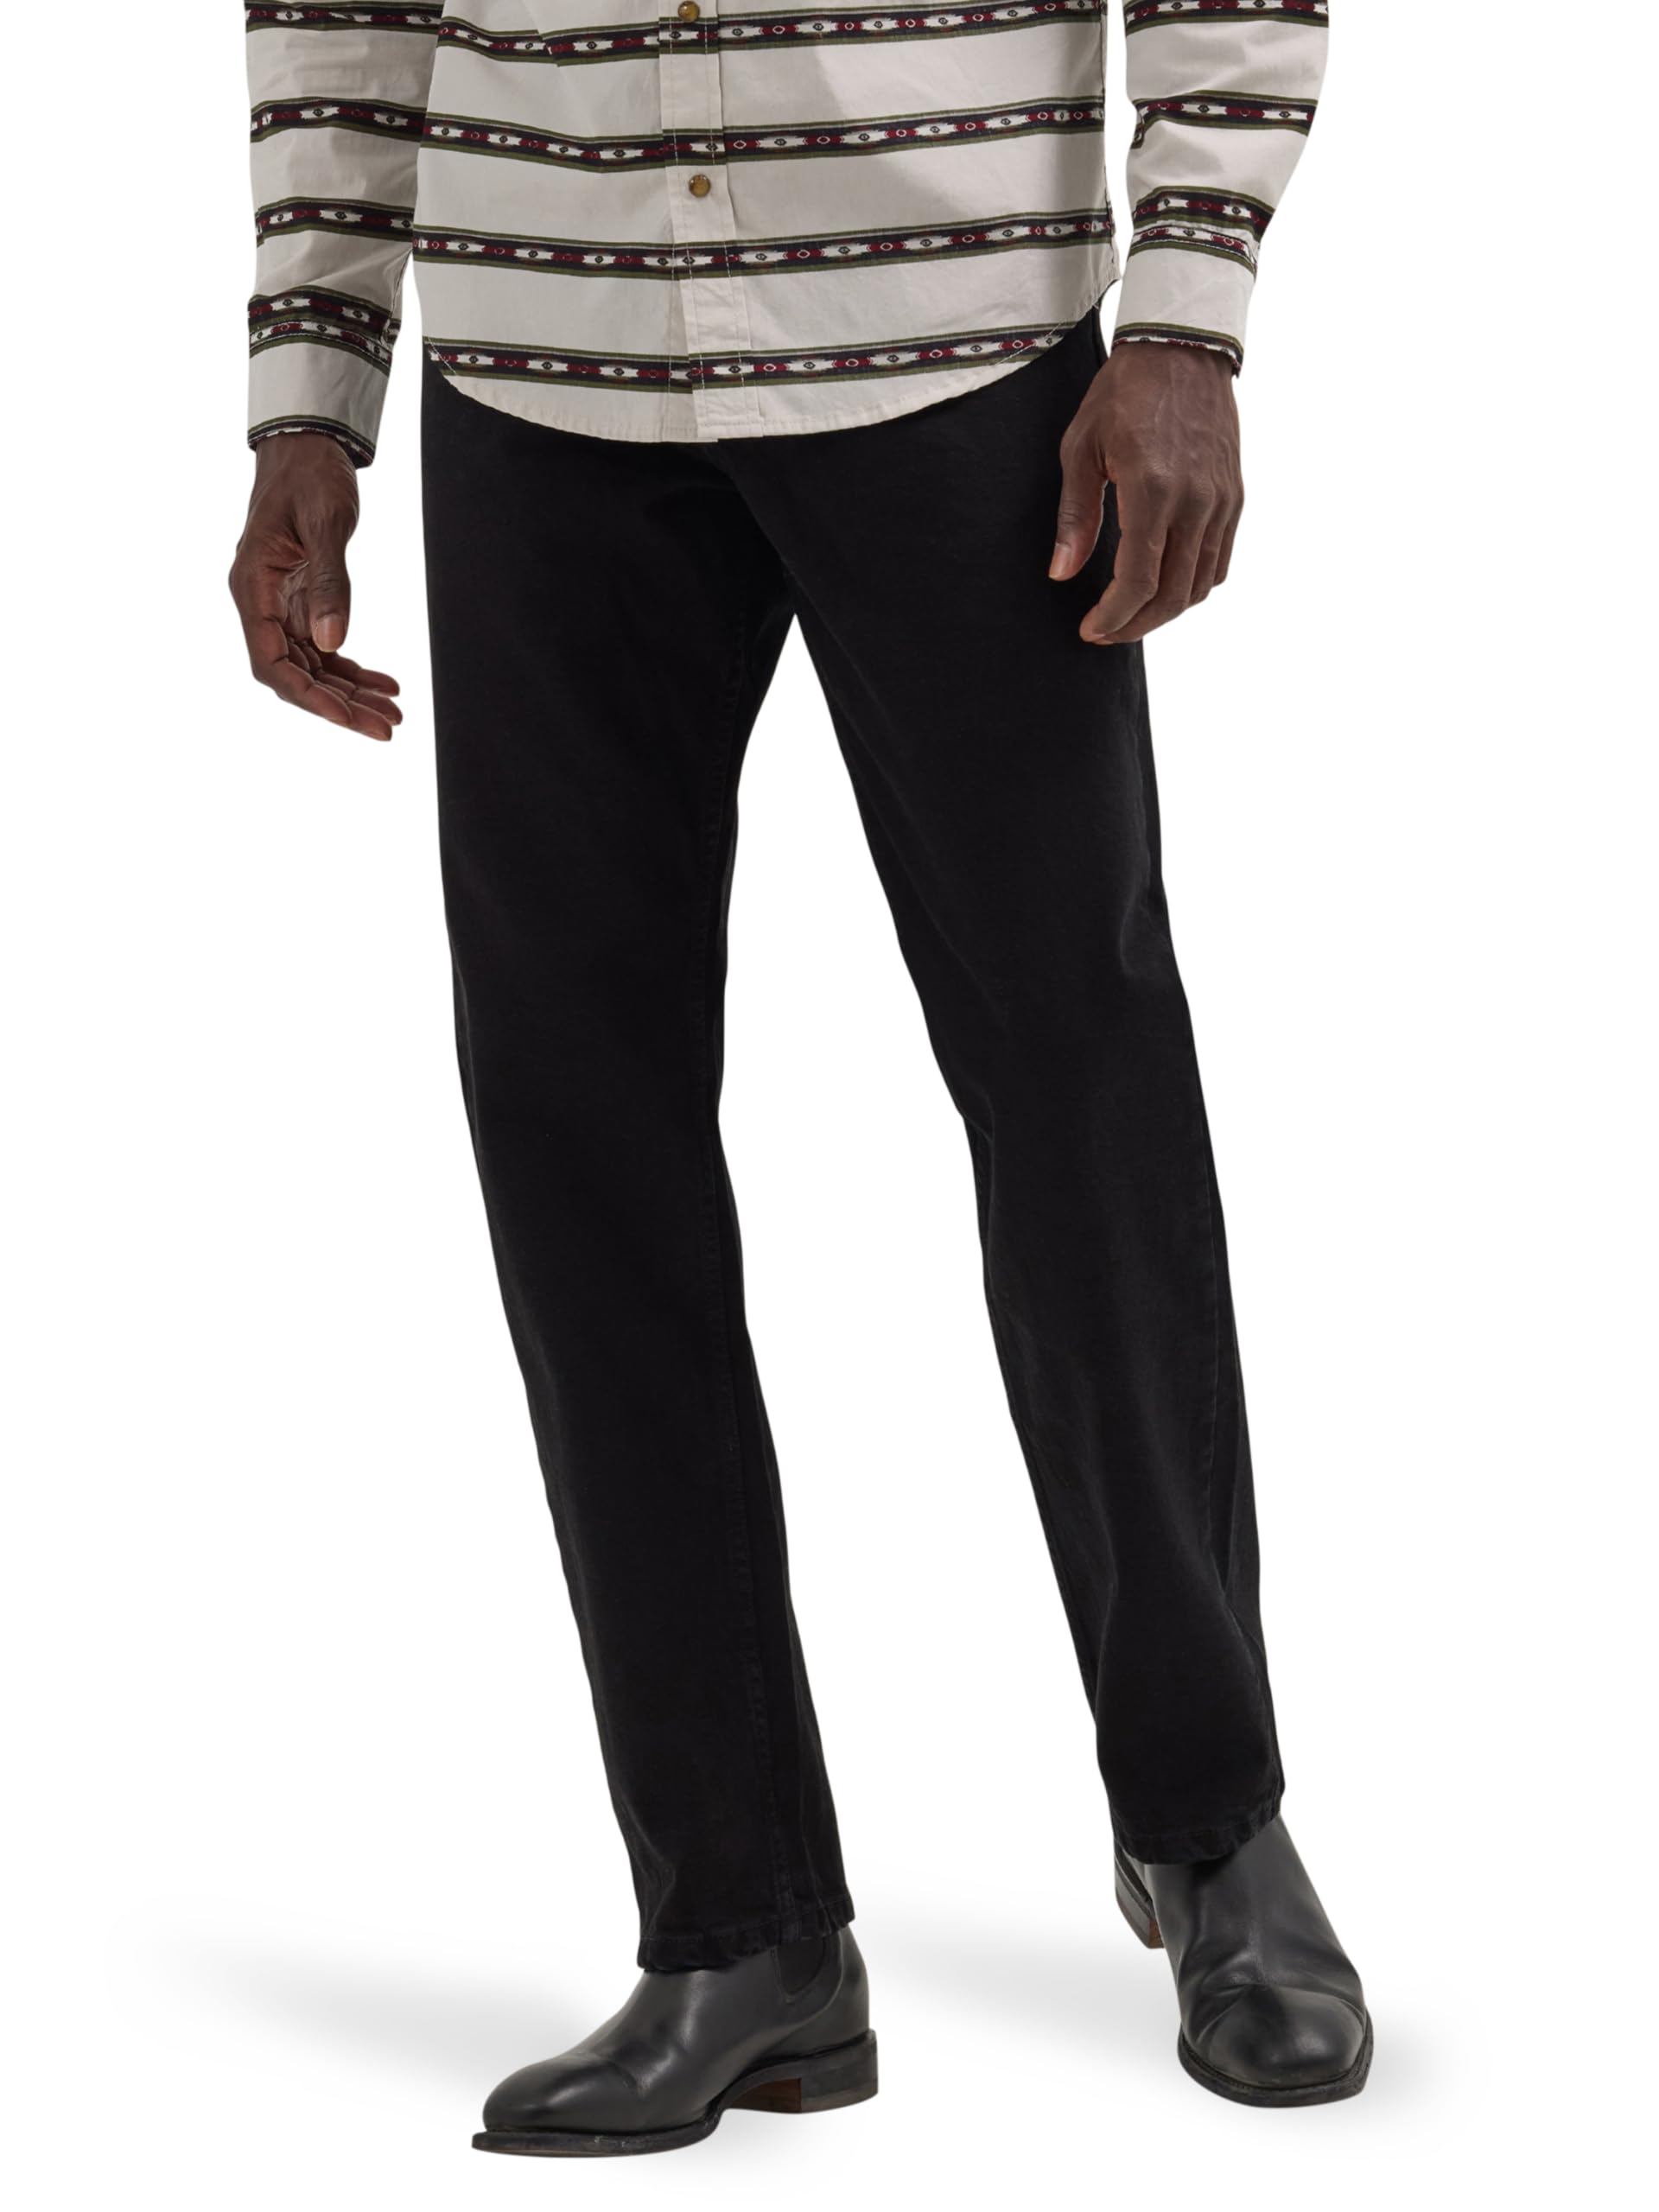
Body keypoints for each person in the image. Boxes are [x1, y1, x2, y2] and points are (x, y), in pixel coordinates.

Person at [230, 0, 1368, 2151]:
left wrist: (1186, 316)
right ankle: (740, 1925)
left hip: (956, 349)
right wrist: (313, 393)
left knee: (1078, 1082)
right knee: (577, 1132)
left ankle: (1213, 1826)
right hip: (540, 364)